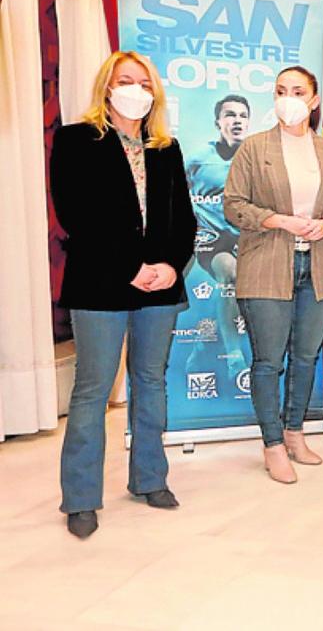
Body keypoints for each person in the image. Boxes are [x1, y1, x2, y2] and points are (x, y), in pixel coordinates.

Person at [49, 50, 197, 539]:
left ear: (154, 92)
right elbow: (76, 216)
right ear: (106, 88)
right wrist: (128, 267)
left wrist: (169, 266)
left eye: (143, 82)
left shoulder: (165, 146)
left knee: (150, 381)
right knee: (93, 389)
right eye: (124, 80)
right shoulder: (76, 140)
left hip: (159, 286)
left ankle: (150, 479)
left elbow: (185, 221)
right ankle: (81, 497)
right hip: (100, 284)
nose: (134, 89)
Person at [224, 66, 323, 484]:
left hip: (317, 266)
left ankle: (295, 432)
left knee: (306, 356)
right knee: (267, 361)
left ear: (313, 100)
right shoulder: (253, 148)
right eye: (281, 91)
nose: (288, 98)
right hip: (266, 265)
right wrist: (277, 219)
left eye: (298, 91)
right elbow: (233, 205)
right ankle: (272, 444)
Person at [186, 94, 251, 378]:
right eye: (230, 115)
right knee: (230, 274)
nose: (236, 120)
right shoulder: (198, 158)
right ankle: (233, 355)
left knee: (242, 297)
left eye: (242, 115)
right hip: (210, 239)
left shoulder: (255, 156)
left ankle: (204, 343)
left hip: (247, 239)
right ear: (218, 122)